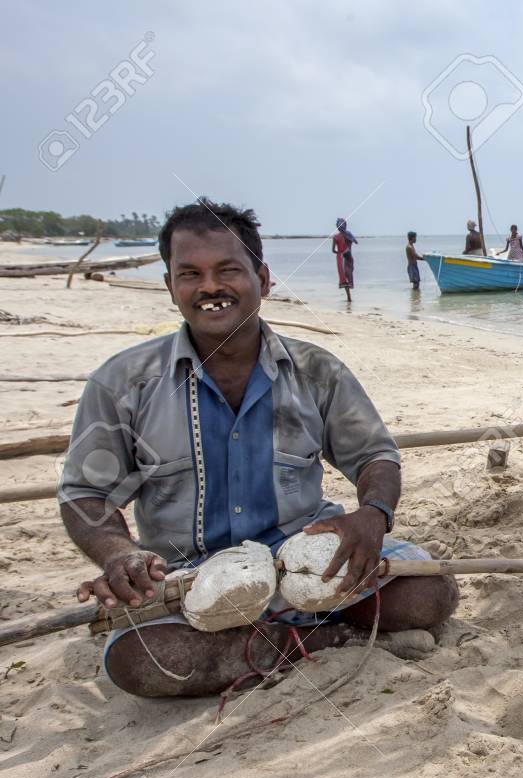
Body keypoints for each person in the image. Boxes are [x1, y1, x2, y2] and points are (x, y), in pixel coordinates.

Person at [58, 198, 458, 698]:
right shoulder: (123, 382)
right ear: (170, 287)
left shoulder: (316, 371)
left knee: (430, 591)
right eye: (190, 274)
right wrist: (119, 554)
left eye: (228, 270)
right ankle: (323, 639)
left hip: (304, 562)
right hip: (187, 578)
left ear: (263, 280)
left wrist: (373, 514)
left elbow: (375, 455)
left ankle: (272, 640)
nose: (210, 287)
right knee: (140, 662)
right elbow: (82, 495)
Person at [331, 217, 358, 300]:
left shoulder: (335, 237)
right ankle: (349, 298)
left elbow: (333, 250)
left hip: (340, 258)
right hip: (349, 258)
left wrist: (339, 253)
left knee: (343, 277)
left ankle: (348, 297)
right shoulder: (349, 235)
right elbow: (356, 242)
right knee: (349, 275)